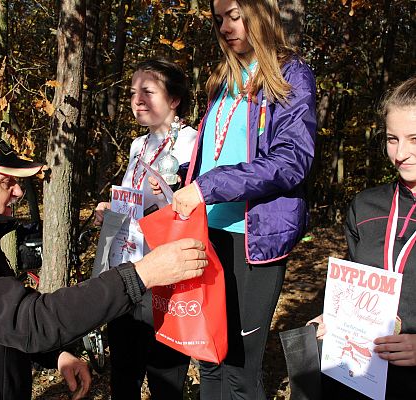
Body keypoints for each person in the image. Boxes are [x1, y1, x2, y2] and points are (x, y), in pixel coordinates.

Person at [0, 128, 208, 400]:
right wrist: (142, 274)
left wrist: (54, 356)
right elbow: (30, 321)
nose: (19, 191)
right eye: (7, 181)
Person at [149, 1, 316, 398]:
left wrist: (207, 187)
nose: (225, 26)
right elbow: (220, 151)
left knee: (240, 367)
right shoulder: (224, 77)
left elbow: (293, 160)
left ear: (260, 14)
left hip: (253, 240)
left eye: (234, 16)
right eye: (219, 18)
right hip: (207, 233)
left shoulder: (291, 74)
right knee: (208, 357)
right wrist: (182, 178)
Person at [94, 58, 197, 400]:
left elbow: (197, 210)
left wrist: (169, 200)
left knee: (164, 374)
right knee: (124, 369)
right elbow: (135, 202)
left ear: (174, 100)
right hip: (128, 267)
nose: (137, 99)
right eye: (133, 91)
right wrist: (112, 211)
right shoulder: (138, 146)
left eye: (148, 91)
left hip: (167, 273)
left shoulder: (192, 143)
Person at [308, 76, 416, 399]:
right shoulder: (365, 206)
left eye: (414, 139)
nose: (401, 153)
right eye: (392, 139)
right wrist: (336, 319)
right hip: (362, 375)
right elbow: (358, 283)